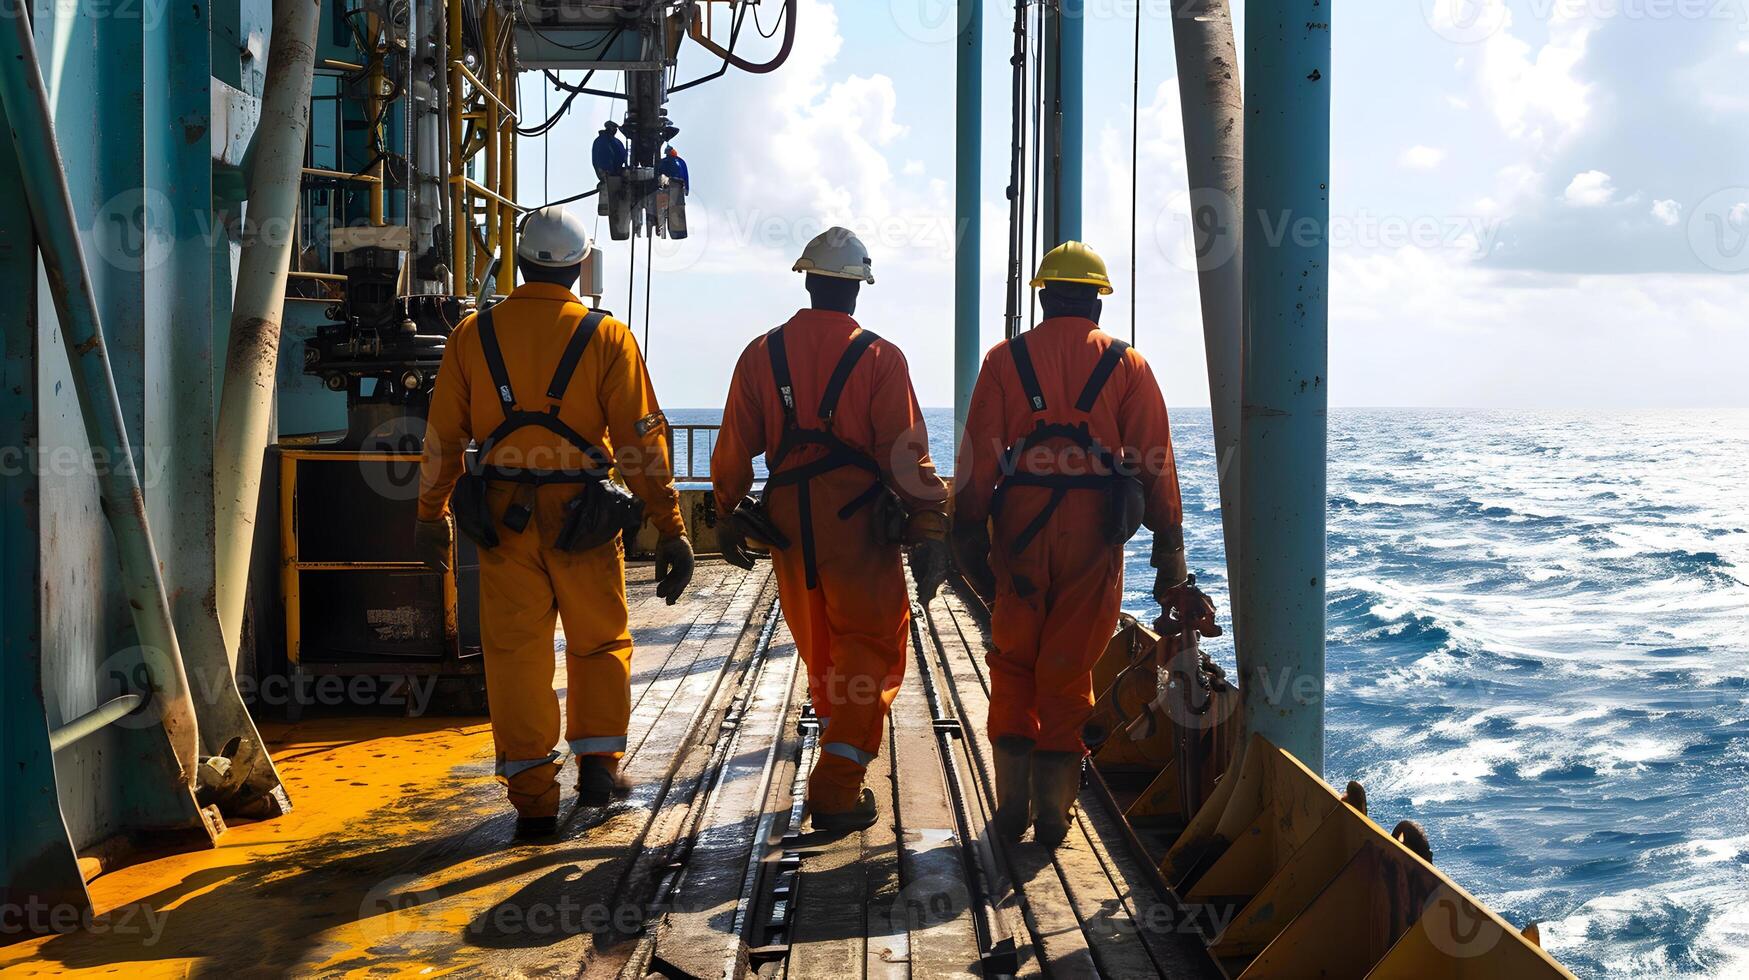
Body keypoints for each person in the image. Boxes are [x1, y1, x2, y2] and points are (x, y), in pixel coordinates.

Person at [415, 206, 694, 840]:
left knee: (516, 656)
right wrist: (669, 524)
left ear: (518, 262)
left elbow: (441, 440)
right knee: (598, 641)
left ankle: (535, 801)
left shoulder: (470, 336)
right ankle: (598, 768)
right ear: (579, 266)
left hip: (502, 519)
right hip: (584, 517)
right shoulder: (607, 337)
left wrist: (430, 513)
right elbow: (641, 442)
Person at [951, 241, 1217, 848]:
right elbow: (1156, 465)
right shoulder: (1129, 366)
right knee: (1068, 668)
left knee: (1014, 659)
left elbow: (976, 461)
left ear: (1043, 296)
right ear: (1098, 300)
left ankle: (1010, 808)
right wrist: (1169, 553)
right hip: (1095, 534)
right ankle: (1052, 816)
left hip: (1018, 531)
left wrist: (967, 532)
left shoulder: (1003, 360)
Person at [712, 227, 950, 833]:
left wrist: (726, 511)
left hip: (789, 524)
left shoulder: (760, 353)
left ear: (809, 280)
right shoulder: (879, 357)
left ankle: (837, 760)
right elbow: (905, 456)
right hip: (857, 523)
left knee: (819, 645)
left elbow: (735, 444)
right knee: (868, 646)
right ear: (856, 289)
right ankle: (838, 790)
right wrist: (928, 520)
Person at [592, 121, 627, 218]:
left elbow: (622, 156)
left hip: (611, 175)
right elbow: (604, 157)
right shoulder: (605, 141)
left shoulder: (609, 141)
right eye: (614, 129)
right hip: (608, 175)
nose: (615, 131)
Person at [655, 146, 690, 239]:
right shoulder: (679, 162)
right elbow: (685, 177)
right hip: (675, 188)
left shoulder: (664, 163)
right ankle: (671, 230)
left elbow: (658, 176)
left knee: (666, 208)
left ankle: (661, 227)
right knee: (675, 211)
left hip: (667, 187)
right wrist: (686, 189)